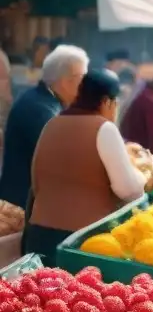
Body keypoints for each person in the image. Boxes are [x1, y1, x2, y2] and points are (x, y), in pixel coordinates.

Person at [25, 70, 153, 264]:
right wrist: (146, 172)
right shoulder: (104, 128)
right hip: (80, 242)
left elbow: (36, 181)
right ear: (107, 102)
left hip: (39, 236)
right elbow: (129, 190)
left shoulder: (52, 124)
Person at [0, 45, 88, 209]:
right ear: (65, 81)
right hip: (22, 208)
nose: (86, 85)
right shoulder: (40, 109)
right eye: (83, 78)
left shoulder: (46, 100)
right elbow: (63, 160)